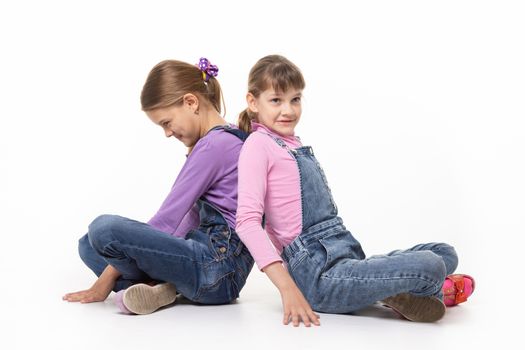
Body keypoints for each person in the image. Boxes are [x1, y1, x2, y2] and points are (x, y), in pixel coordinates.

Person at [235, 55, 475, 326]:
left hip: (343, 252)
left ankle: (390, 290)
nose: (288, 110)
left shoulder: (292, 143)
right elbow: (246, 223)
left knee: (444, 252)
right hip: (316, 276)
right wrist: (288, 289)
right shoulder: (258, 145)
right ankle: (414, 290)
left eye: (296, 99)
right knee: (431, 266)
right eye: (276, 100)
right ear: (253, 102)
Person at [63, 57, 254, 315]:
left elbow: (167, 220)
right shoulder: (225, 138)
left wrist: (104, 283)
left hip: (216, 270)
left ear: (191, 102)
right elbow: (190, 218)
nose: (167, 133)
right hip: (217, 271)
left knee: (103, 230)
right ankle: (164, 289)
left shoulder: (213, 146)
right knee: (88, 244)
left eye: (166, 122)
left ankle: (160, 285)